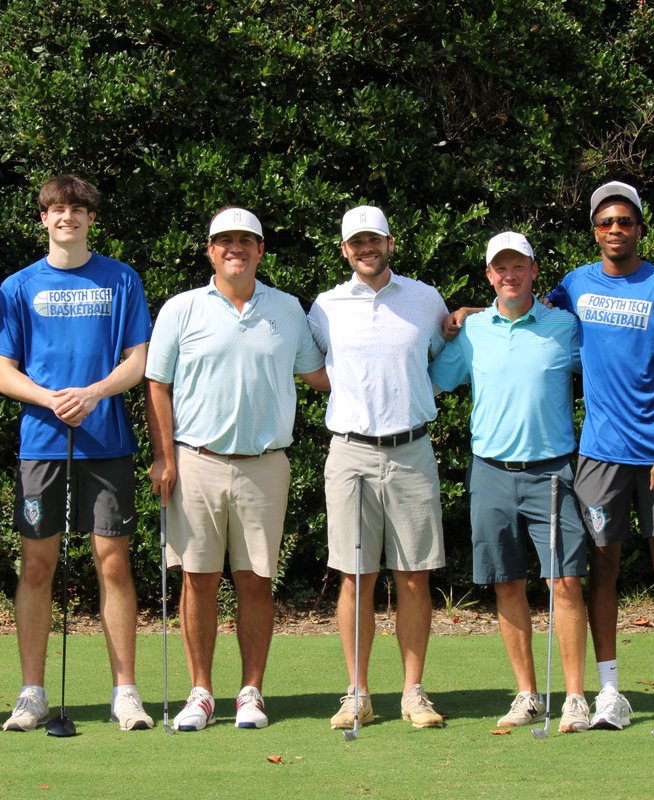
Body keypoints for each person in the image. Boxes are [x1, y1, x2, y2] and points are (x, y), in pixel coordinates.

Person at [145, 206, 326, 731]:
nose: (235, 249)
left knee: (255, 581)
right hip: (196, 461)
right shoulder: (181, 308)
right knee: (198, 580)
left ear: (261, 250)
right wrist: (163, 455)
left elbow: (319, 375)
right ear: (210, 250)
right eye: (225, 241)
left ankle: (251, 692)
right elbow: (158, 382)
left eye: (246, 241)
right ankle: (200, 692)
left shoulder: (288, 309)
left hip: (264, 466)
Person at [545, 182, 654, 730]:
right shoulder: (575, 283)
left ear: (640, 228)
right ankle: (611, 691)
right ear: (594, 230)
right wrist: (470, 313)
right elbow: (524, 308)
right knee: (603, 567)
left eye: (624, 222)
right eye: (605, 223)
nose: (614, 230)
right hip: (598, 454)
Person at [0, 175, 152, 731]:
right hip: (42, 444)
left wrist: (93, 393)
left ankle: (125, 692)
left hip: (105, 441)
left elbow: (138, 359)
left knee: (113, 562)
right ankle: (31, 693)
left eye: (78, 209)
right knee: (37, 565)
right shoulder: (17, 286)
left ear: (90, 218)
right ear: (43, 219)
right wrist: (50, 398)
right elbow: (3, 372)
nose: (68, 218)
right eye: (57, 210)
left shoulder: (120, 279)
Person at [430, 232, 590, 733]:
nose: (509, 274)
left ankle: (576, 698)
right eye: (500, 268)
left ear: (534, 270)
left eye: (518, 265)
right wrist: (457, 319)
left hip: (552, 471)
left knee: (564, 581)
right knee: (506, 584)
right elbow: (435, 378)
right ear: (489, 276)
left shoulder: (564, 326)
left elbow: (607, 372)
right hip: (491, 471)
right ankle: (526, 695)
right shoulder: (474, 330)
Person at [308, 205, 449, 731]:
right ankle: (357, 692)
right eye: (356, 242)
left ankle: (413, 693)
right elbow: (314, 369)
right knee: (355, 576)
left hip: (411, 449)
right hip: (350, 452)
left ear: (390, 243)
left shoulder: (424, 298)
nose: (367, 248)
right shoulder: (324, 307)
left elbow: (443, 355)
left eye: (375, 240)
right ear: (345, 250)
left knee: (413, 576)